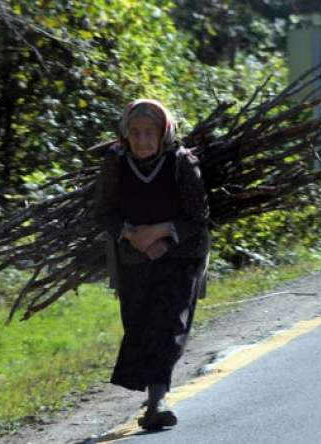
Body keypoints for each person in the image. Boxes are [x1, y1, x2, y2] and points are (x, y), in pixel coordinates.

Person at [92, 99, 210, 430]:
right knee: (140, 325)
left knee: (169, 323)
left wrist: (162, 235)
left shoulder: (181, 163)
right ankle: (152, 395)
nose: (143, 140)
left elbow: (198, 216)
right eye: (136, 133)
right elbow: (103, 211)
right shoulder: (115, 163)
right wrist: (131, 235)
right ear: (125, 135)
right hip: (132, 256)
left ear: (164, 135)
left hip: (182, 255)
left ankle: (157, 401)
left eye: (150, 133)